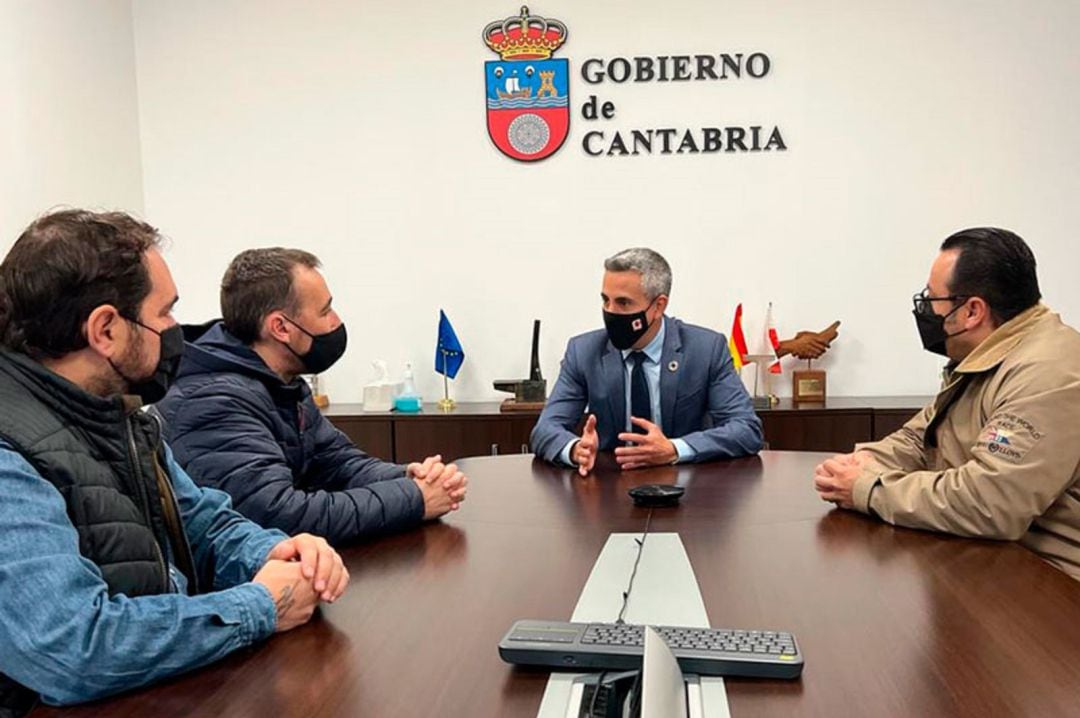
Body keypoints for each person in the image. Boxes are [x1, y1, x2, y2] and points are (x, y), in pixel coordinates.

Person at [0, 210, 347, 715]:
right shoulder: (9, 453)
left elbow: (201, 521)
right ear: (105, 330)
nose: (175, 330)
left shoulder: (119, 415)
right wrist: (260, 605)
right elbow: (74, 648)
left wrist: (277, 553)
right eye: (164, 313)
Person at [813, 227, 1080, 581]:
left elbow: (989, 503)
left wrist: (868, 487)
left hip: (1052, 590)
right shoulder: (987, 355)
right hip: (994, 561)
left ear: (972, 311)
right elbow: (922, 436)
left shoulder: (1049, 373)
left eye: (932, 298)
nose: (926, 310)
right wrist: (866, 461)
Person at [155, 248, 467, 544]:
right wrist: (414, 499)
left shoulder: (279, 381)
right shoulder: (211, 400)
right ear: (280, 327)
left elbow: (336, 462)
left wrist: (408, 476)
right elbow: (280, 515)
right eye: (325, 310)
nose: (336, 321)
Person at [531, 247, 763, 475]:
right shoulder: (583, 351)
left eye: (623, 303)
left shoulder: (705, 349)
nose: (610, 312)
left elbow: (746, 429)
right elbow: (545, 429)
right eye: (605, 300)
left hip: (689, 489)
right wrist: (574, 450)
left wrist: (674, 449)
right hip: (609, 487)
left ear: (658, 306)